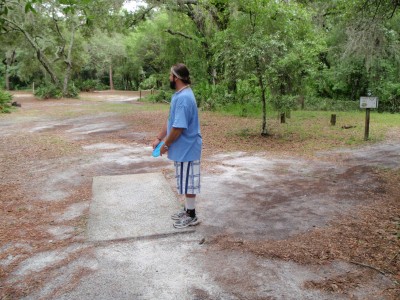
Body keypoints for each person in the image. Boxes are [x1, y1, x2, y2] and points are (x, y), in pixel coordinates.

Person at [152, 63, 202, 229]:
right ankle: (187, 209)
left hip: (188, 147)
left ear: (177, 78)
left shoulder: (184, 98)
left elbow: (179, 127)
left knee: (188, 182)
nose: (169, 78)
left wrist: (165, 144)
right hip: (183, 148)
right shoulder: (179, 96)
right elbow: (171, 121)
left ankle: (191, 215)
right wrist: (160, 137)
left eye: (170, 75)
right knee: (185, 180)